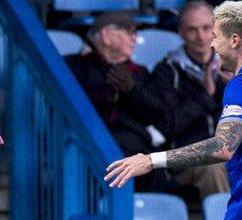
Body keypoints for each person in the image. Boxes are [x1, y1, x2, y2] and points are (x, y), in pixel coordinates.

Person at [104, 1, 242, 219]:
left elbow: (223, 147)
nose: (212, 44)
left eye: (215, 36)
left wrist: (150, 160)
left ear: (234, 40)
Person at [64, 12, 166, 192]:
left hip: (134, 146)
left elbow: (156, 114)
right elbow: (73, 107)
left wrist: (131, 90)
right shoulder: (75, 66)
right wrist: (105, 90)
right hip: (90, 143)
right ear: (107, 35)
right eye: (130, 32)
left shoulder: (139, 72)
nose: (135, 39)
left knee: (152, 166)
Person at [151, 0, 230, 201]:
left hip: (230, 152)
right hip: (186, 159)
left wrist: (233, 87)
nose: (201, 37)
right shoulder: (166, 71)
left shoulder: (232, 65)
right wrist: (203, 96)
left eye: (206, 28)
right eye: (192, 30)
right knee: (213, 165)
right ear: (181, 32)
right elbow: (166, 127)